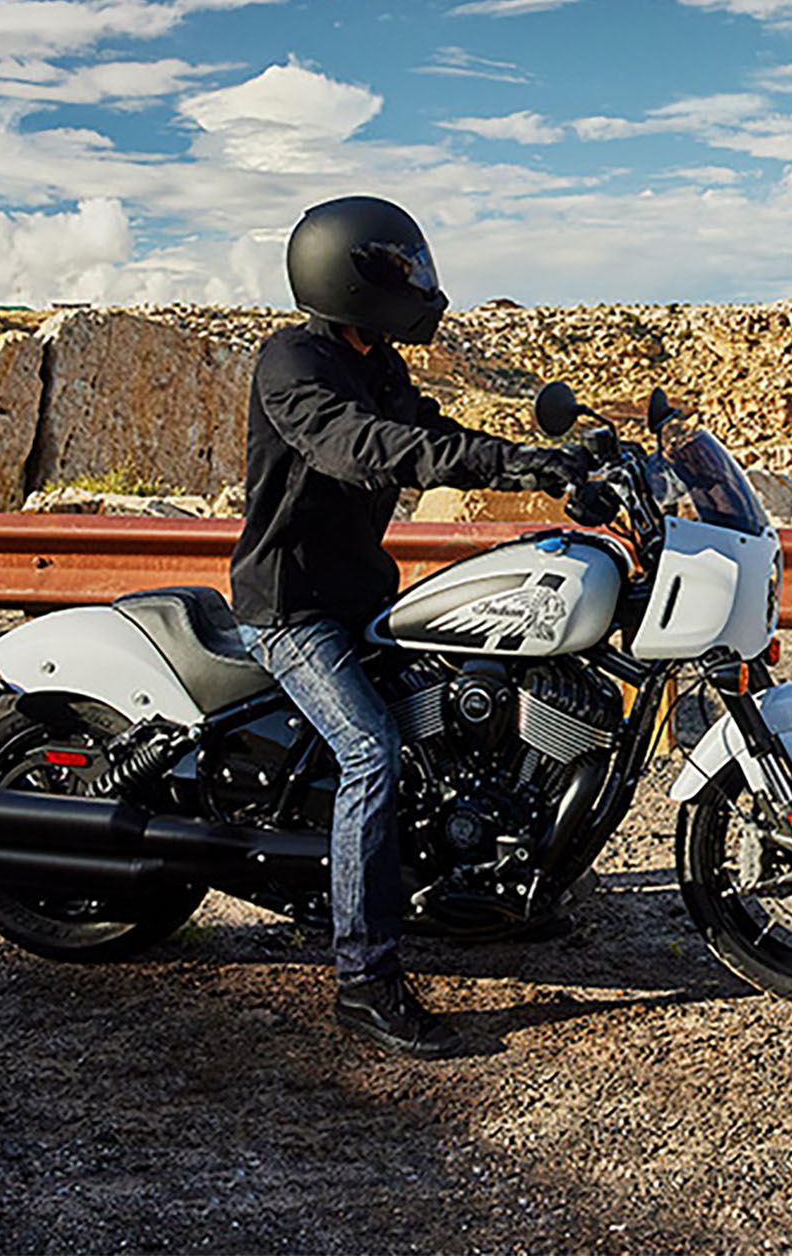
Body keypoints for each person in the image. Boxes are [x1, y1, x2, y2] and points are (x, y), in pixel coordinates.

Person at [230, 195, 586, 1057]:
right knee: (372, 751)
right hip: (293, 608)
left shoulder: (377, 359)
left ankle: (494, 893)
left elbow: (432, 430)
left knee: (467, 715)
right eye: (402, 271)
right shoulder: (293, 363)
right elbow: (365, 445)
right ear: (349, 278)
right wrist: (497, 463)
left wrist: (542, 463)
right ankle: (365, 977)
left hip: (361, 597)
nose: (420, 286)